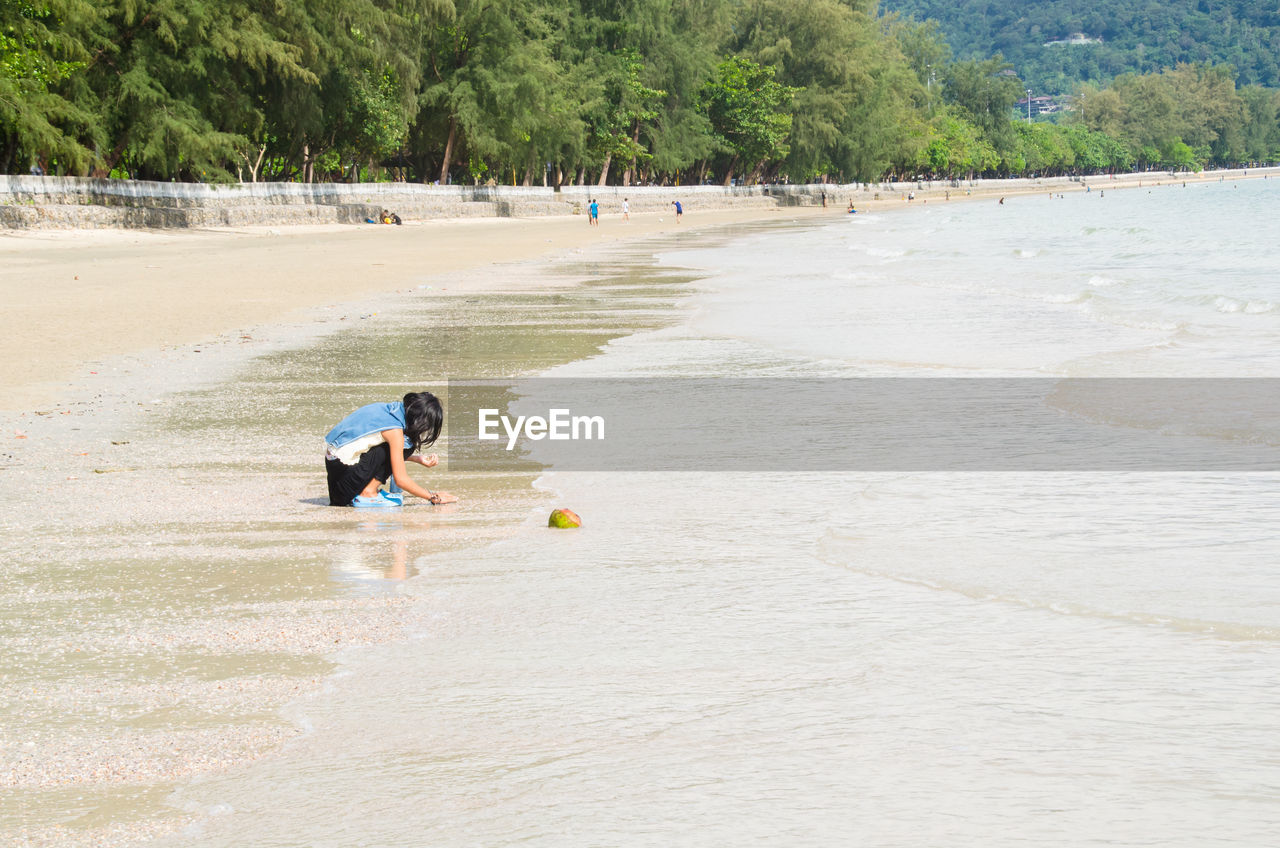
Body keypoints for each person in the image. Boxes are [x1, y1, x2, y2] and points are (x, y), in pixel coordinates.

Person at [324, 392, 457, 508]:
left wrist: (417, 459)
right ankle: (368, 492)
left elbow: (373, 449)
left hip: (339, 481)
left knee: (401, 445)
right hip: (343, 488)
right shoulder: (394, 431)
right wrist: (434, 497)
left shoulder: (388, 411)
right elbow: (401, 480)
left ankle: (367, 489)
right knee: (409, 444)